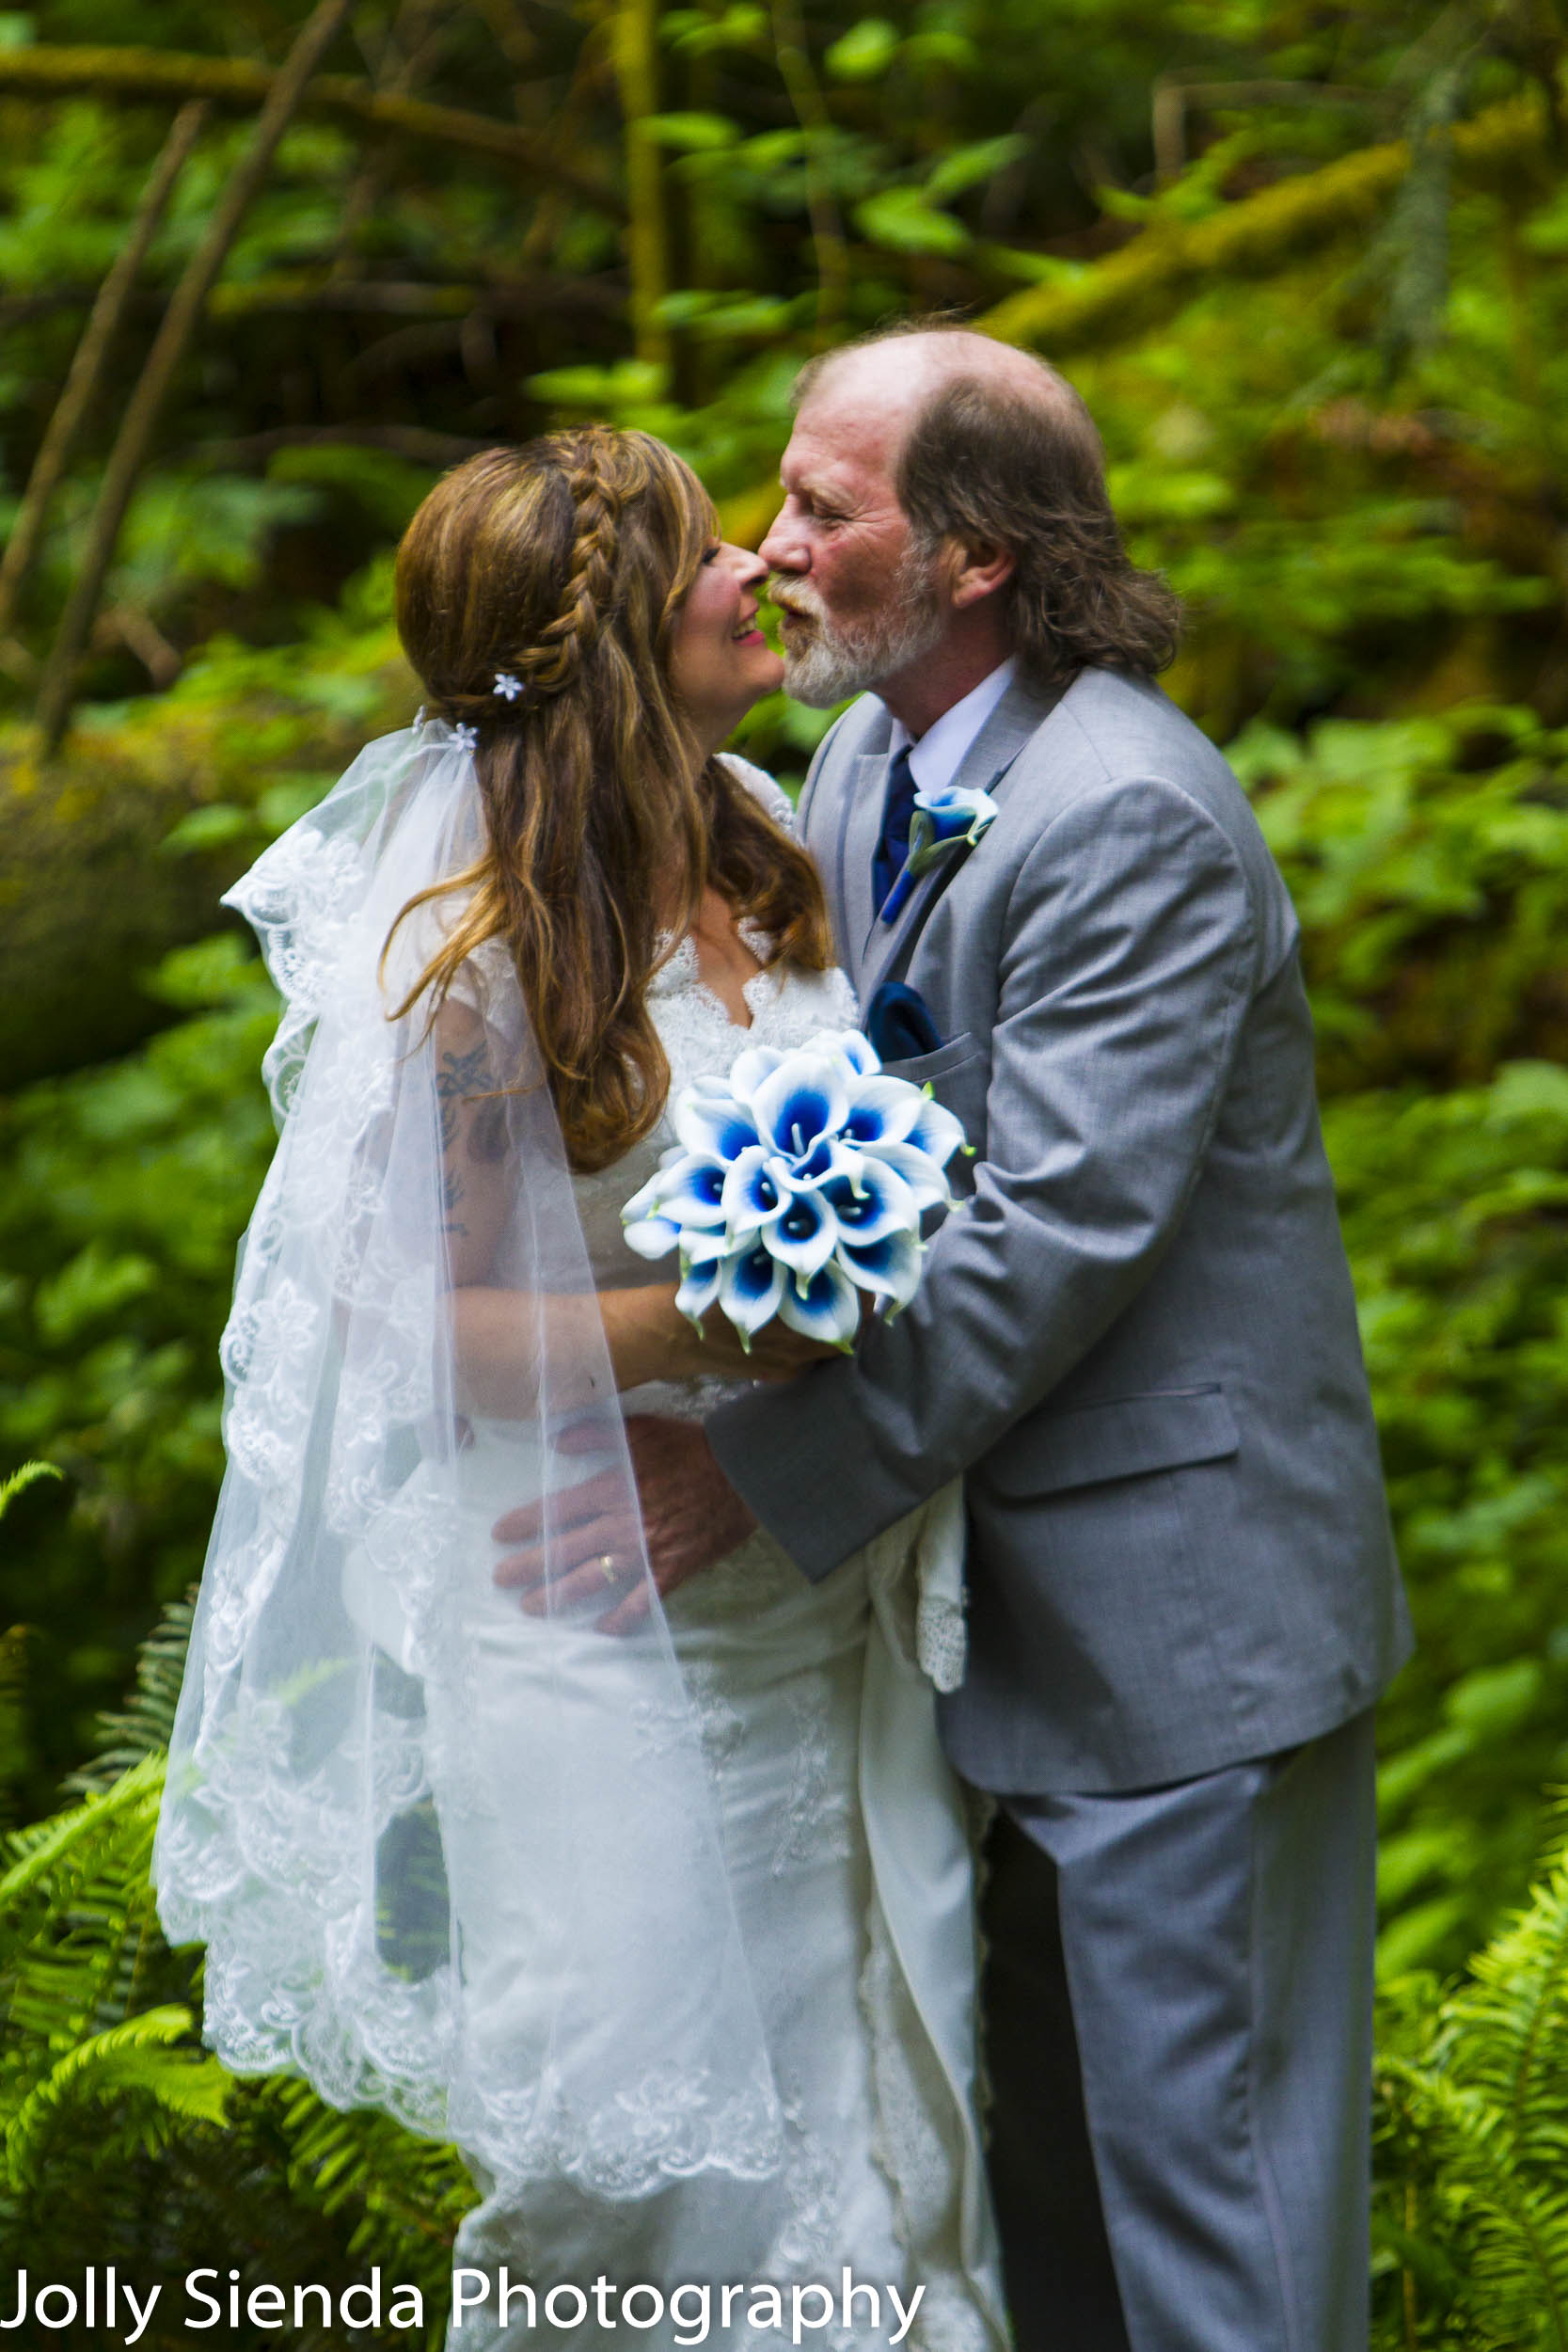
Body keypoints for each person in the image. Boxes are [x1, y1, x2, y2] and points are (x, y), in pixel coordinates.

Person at [538, 326, 1414, 2349]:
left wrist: (759, 1481)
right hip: (965, 1636)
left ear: (976, 556)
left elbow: (1054, 1233)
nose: (768, 552)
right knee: (1057, 2227)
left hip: (1184, 1632)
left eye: (822, 511)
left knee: (1221, 2232)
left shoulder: (1133, 819)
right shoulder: (860, 766)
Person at [154, 426, 1008, 2352]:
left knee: (851, 2092)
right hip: (590, 1600)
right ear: (629, 633)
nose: (757, 573)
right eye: (712, 553)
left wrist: (825, 1305)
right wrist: (718, 1320)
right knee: (618, 2160)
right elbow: (416, 1324)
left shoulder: (759, 824)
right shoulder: (475, 955)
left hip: (796, 1599)